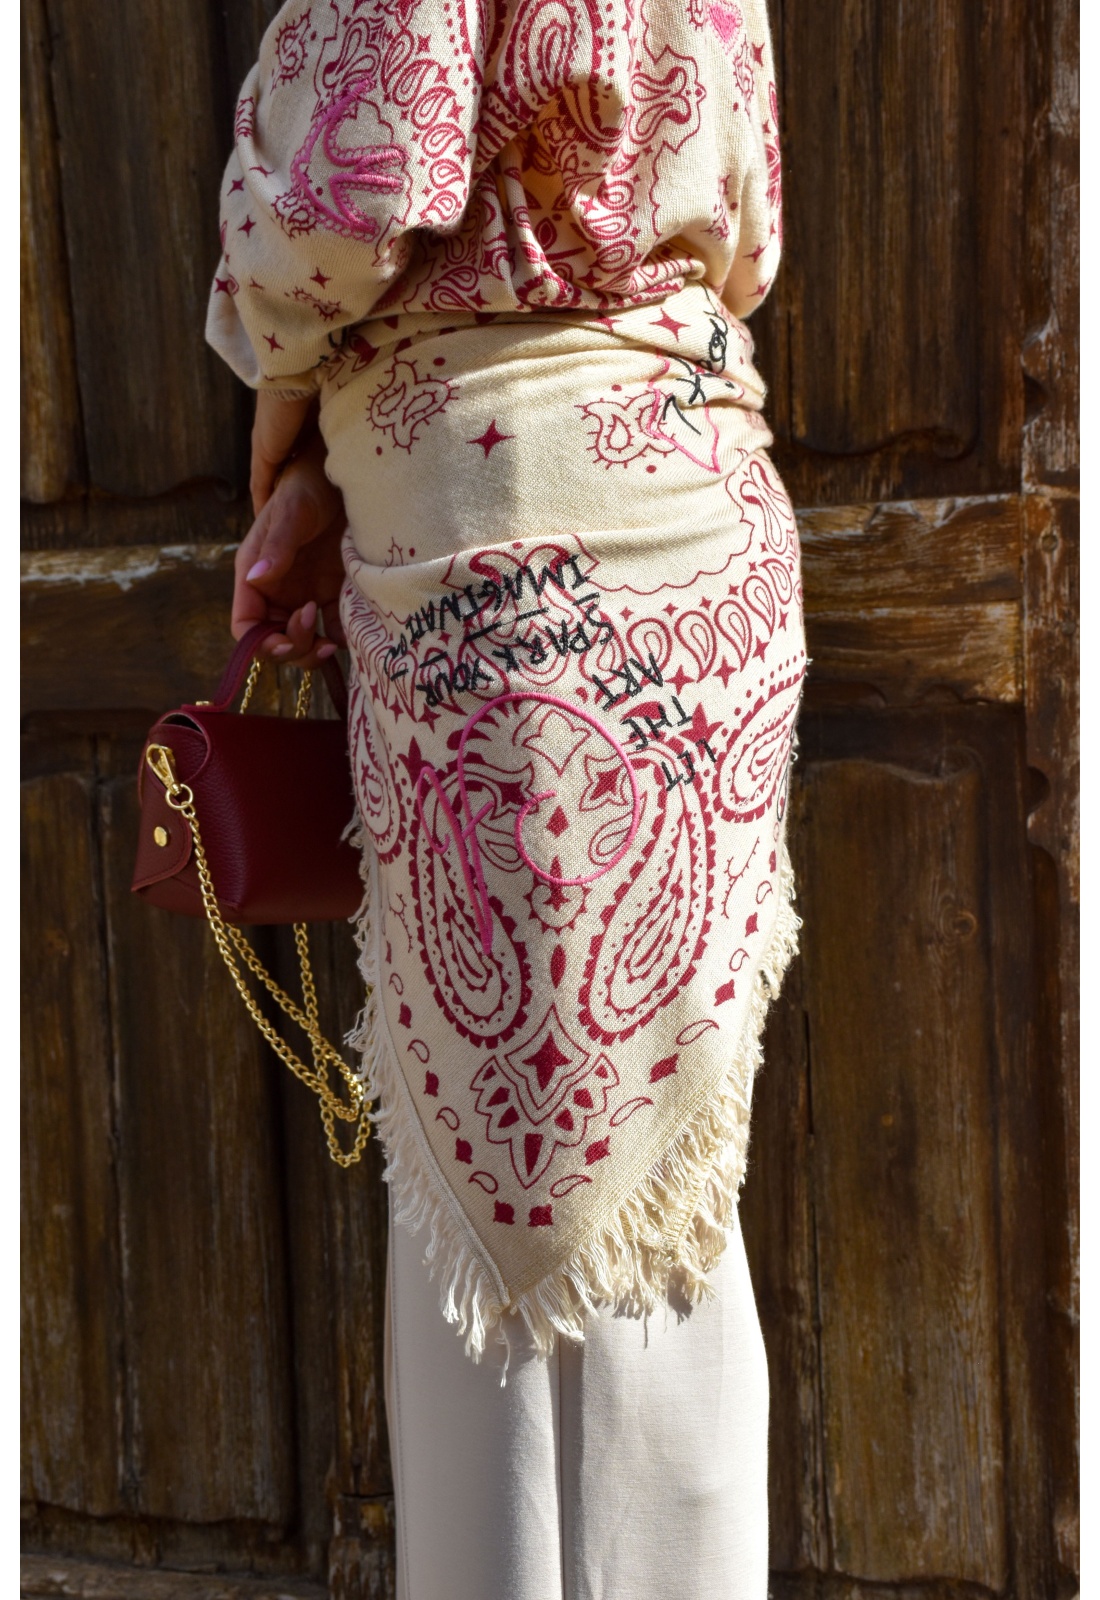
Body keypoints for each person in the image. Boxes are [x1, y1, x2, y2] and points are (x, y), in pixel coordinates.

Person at [207, 3, 804, 1595]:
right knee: (659, 1208)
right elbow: (736, 221)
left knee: (530, 1231)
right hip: (687, 505)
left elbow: (363, 179)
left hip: (495, 539)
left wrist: (290, 394)